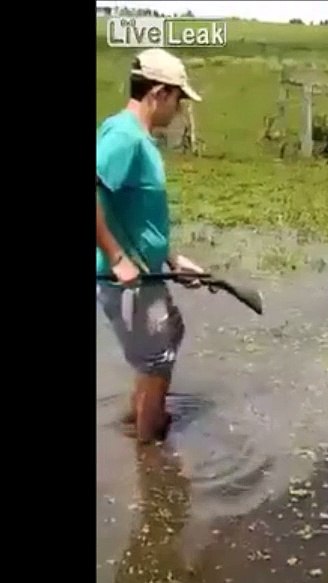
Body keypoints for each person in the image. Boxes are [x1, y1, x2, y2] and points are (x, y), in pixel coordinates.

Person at [96, 49, 207, 444]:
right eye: (178, 99)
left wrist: (172, 259)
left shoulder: (136, 137)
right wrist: (116, 257)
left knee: (169, 336)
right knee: (156, 360)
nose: (179, 110)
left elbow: (133, 214)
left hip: (148, 274)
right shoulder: (125, 136)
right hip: (128, 283)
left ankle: (137, 418)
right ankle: (150, 461)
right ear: (159, 93)